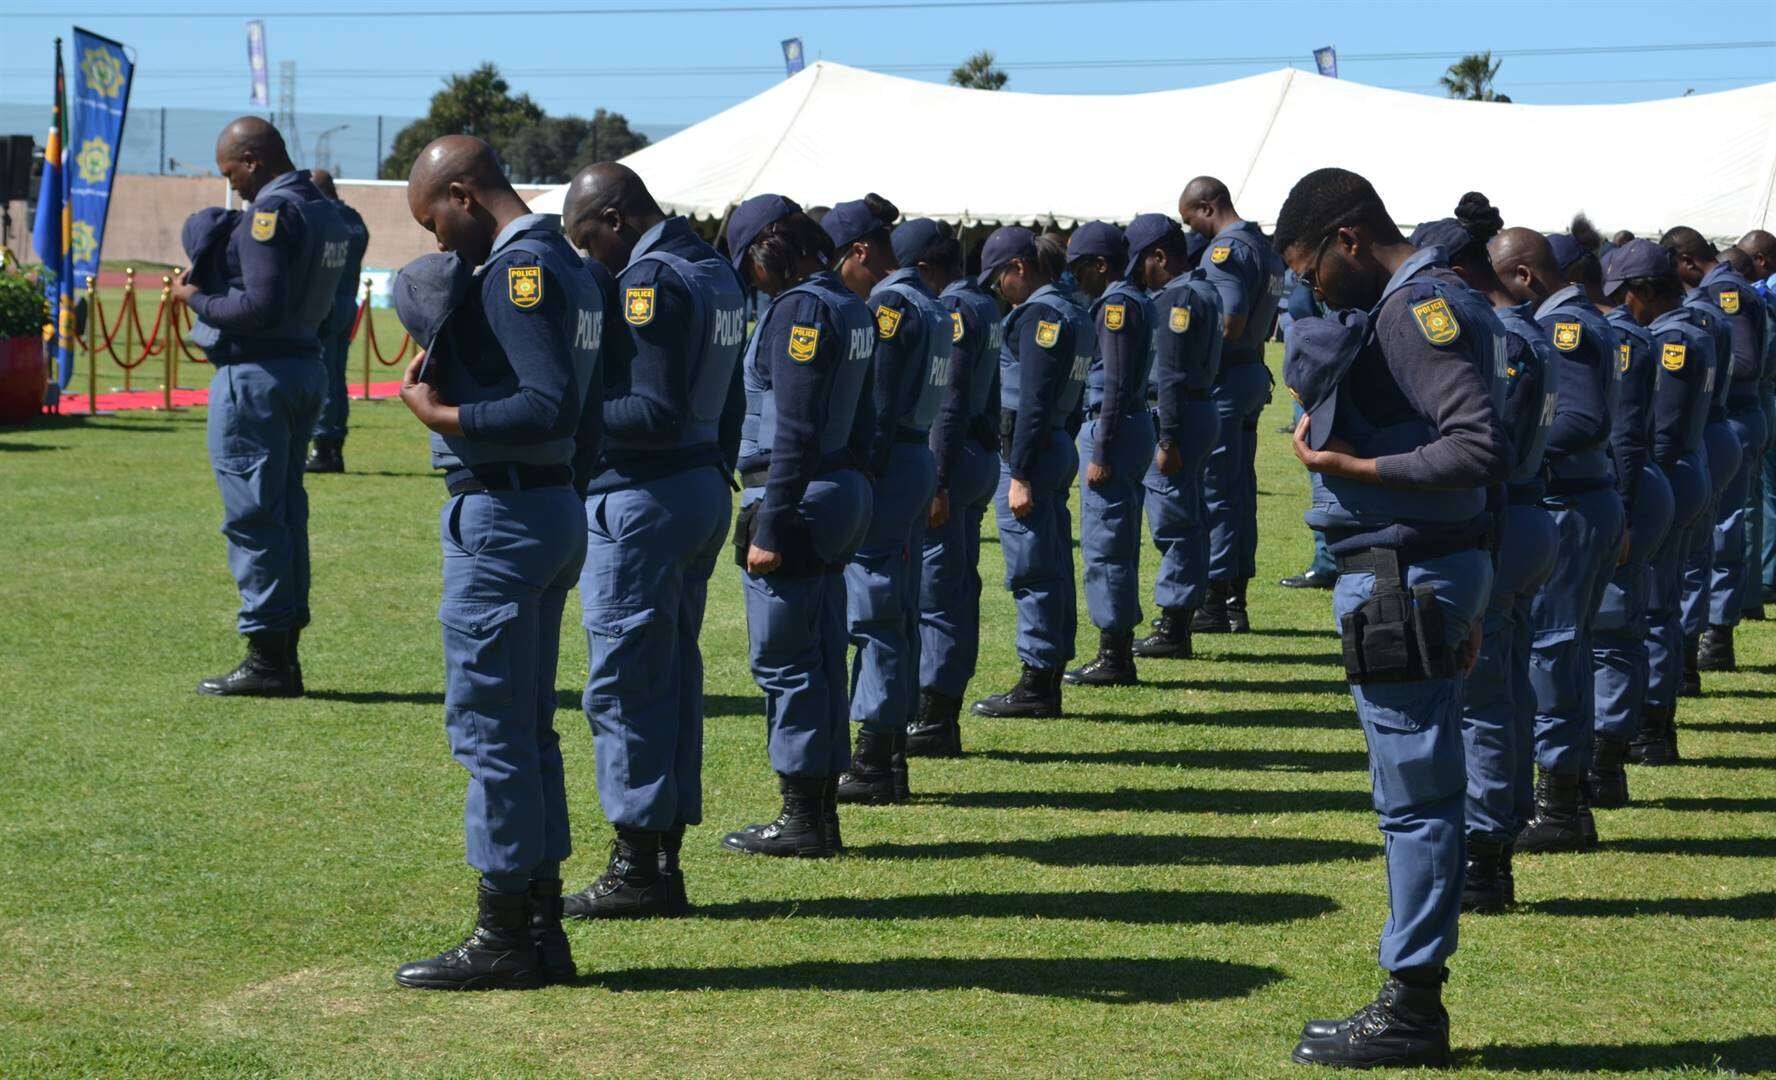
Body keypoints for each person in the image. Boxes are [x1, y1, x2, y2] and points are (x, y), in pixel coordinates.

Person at [1273, 167, 1508, 1069]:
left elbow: (1477, 443)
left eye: (1309, 268)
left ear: (1345, 239)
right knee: (1415, 789)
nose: (1309, 288)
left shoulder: (1415, 311)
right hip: (1427, 569)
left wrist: (1352, 468)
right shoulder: (1437, 296)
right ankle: (1413, 995)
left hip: (1406, 575)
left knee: (1414, 799)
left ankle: (1412, 1005)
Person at [388, 135, 605, 990]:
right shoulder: (575, 264)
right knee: (527, 727)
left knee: (493, 731)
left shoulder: (521, 270)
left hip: (508, 514)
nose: (438, 240)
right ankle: (540, 925)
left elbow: (545, 399)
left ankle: (506, 933)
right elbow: (583, 413)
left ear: (466, 195)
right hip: (549, 506)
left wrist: (441, 417)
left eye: (434, 218)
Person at [556, 163, 746, 918]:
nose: (585, 259)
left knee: (627, 681)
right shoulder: (715, 272)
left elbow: (653, 409)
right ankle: (658, 854)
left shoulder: (651, 282)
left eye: (585, 240)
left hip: (646, 498)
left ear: (614, 220)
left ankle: (639, 863)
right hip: (698, 486)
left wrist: (574, 410)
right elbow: (727, 400)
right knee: (670, 676)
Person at [1408, 194, 1557, 912]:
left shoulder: (1498, 338)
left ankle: (1487, 856)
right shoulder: (1522, 332)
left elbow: (1483, 453)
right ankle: (1497, 834)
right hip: (1530, 515)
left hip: (1503, 520)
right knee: (1508, 685)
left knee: (1483, 697)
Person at [172, 118, 350, 699]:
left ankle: (268, 656)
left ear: (252, 159)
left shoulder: (270, 216)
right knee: (285, 509)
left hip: (258, 377)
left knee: (253, 516)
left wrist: (194, 297)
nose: (235, 188)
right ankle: (282, 650)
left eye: (232, 173)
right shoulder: (325, 210)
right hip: (306, 365)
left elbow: (259, 306)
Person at [720, 195, 875, 858]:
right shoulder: (848, 303)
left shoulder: (801, 310)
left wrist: (771, 521)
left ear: (767, 248)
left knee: (785, 659)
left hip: (799, 497)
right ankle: (819, 814)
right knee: (821, 655)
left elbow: (798, 428)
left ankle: (801, 818)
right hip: (839, 489)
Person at [1489, 227, 1624, 855]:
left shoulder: (1565, 328)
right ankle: (1569, 794)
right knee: (1563, 649)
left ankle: (1561, 803)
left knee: (1553, 649)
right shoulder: (1577, 320)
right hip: (1581, 498)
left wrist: (1514, 451)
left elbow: (1582, 418)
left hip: (1568, 500)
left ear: (1525, 276)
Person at [820, 194, 948, 805]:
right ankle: (887, 754)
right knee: (896, 610)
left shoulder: (892, 304)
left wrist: (859, 472)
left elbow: (879, 399)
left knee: (873, 610)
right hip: (914, 456)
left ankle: (873, 758)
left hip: (889, 461)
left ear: (860, 252)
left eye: (836, 258)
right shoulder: (930, 299)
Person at [970, 226, 1091, 718]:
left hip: (1030, 451)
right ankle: (1049, 667)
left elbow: (1035, 398)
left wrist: (1019, 473)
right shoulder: (1073, 310)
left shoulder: (1041, 314)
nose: (1000, 290)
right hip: (1055, 443)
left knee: (1032, 567)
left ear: (1019, 268)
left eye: (1000, 279)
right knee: (1054, 560)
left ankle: (1037, 680)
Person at [1606, 241, 1715, 769]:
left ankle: (1652, 724)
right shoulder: (1694, 324)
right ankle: (1655, 721)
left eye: (1628, 296)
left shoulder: (1671, 337)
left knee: (1652, 606)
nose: (1625, 309)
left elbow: (1664, 430)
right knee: (1660, 602)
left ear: (1647, 291)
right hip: (1683, 468)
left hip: (1669, 470)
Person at [896, 218, 1001, 756]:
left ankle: (934, 717)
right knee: (957, 590)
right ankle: (941, 711)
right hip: (975, 458)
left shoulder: (955, 310)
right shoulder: (983, 303)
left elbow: (950, 400)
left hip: (950, 465)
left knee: (937, 596)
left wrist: (935, 480)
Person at [1580, 236, 1673, 809]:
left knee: (1614, 628)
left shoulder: (1626, 343)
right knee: (1622, 622)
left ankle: (1607, 764)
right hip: (1642, 483)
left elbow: (1626, 438)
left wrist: (1623, 514)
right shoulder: (1642, 337)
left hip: (1628, 488)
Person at [1179, 175, 1284, 633]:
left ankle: (1215, 598)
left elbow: (1229, 323)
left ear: (1208, 207)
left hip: (1223, 380)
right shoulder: (1265, 248)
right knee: (1239, 489)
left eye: (1190, 219)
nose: (1192, 230)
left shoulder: (1224, 252)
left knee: (1216, 490)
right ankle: (1235, 596)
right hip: (1251, 375)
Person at [1663, 227, 1769, 671]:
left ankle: (1716, 636)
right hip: (1729, 416)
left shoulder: (1725, 292)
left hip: (1732, 414)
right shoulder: (1721, 291)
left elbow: (1744, 362)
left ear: (1686, 261)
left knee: (1721, 531)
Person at [1123, 213, 1224, 660]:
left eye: (1142, 263)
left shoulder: (1177, 298)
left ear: (1160, 257)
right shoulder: (1204, 288)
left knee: (1175, 522)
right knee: (1191, 516)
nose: (1139, 275)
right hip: (1200, 409)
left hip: (1178, 415)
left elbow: (1170, 373)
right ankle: (1183, 614)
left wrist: (1166, 438)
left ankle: (1174, 625)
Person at [1063, 221, 1155, 686]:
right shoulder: (1135, 298)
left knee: (1106, 545)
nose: (1077, 279)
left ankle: (1114, 654)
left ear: (1102, 266)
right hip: (1131, 425)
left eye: (1081, 269)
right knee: (1118, 539)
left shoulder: (1116, 305)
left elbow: (1115, 382)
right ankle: (1116, 646)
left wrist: (1100, 449)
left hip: (1112, 428)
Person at [303, 169, 370, 474]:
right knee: (337, 376)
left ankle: (323, 447)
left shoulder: (321, 217)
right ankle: (333, 448)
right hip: (347, 301)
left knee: (324, 375)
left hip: (324, 303)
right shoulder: (354, 218)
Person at [1737, 229, 1776, 617]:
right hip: (1766, 397)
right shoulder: (1761, 297)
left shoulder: (1759, 299)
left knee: (1757, 499)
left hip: (1760, 400)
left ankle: (1761, 582)